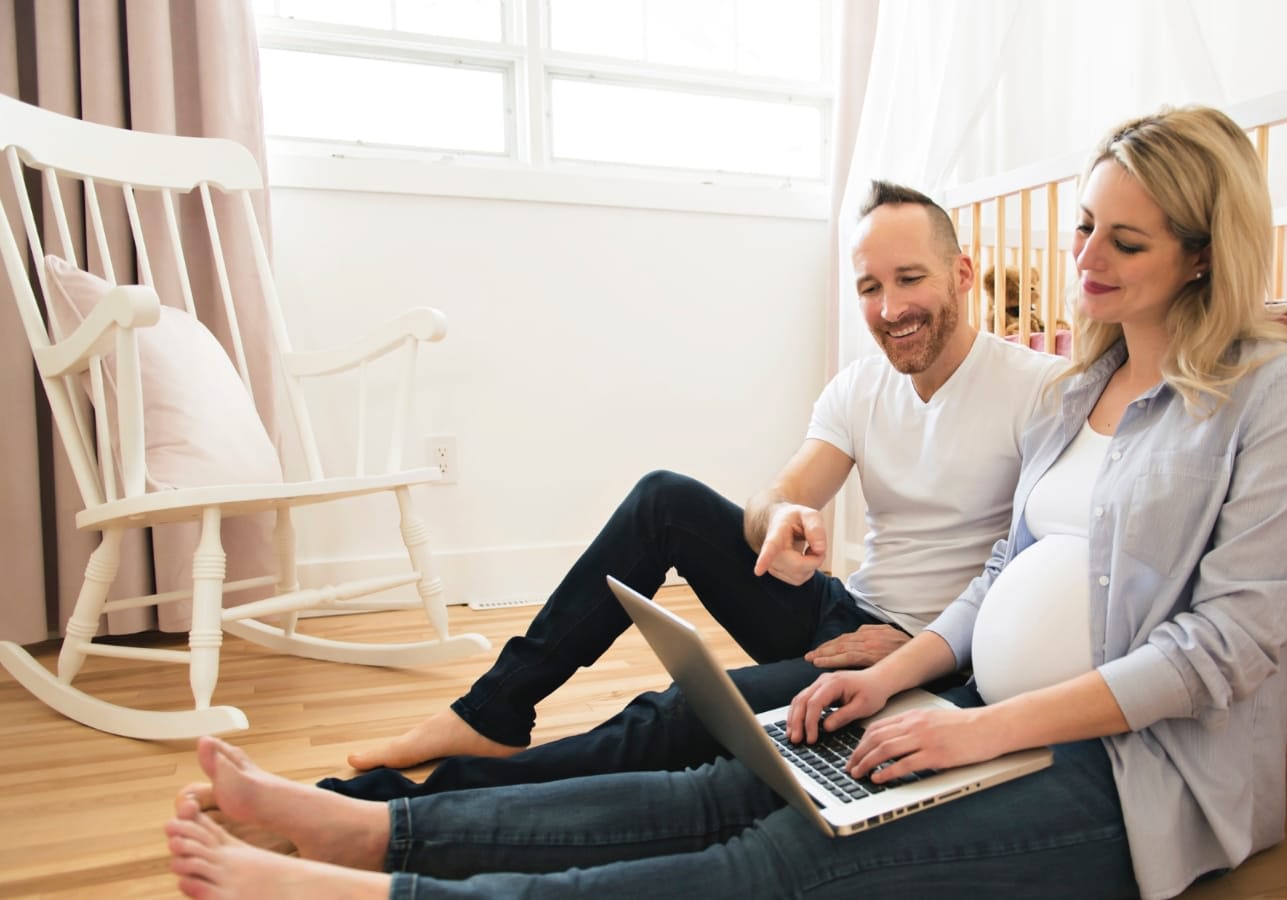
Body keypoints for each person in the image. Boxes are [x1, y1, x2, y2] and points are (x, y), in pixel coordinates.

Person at [166, 105, 1287, 899]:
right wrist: (888, 670)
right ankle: (377, 825)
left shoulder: (1266, 390)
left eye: (1123, 240)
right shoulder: (1078, 386)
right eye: (1083, 226)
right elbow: (1003, 570)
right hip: (961, 686)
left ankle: (383, 885)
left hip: (1119, 766)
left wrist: (963, 719)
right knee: (721, 777)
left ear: (1201, 253)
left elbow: (1225, 646)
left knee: (774, 858)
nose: (1084, 257)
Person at [320, 180, 1068, 800]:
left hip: (939, 657)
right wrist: (782, 517)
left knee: (685, 710)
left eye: (910, 279)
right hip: (846, 616)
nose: (890, 308)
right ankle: (491, 711)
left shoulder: (1039, 392)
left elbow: (1036, 569)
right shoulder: (860, 387)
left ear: (961, 275)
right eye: (870, 287)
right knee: (664, 500)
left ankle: (419, 801)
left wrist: (923, 648)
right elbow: (776, 496)